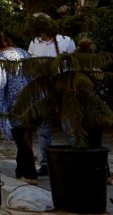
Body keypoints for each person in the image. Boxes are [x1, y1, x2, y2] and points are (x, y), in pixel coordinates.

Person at [0, 32, 38, 185]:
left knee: (21, 136)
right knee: (25, 135)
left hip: (13, 102)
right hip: (30, 99)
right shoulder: (24, 53)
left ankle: (29, 173)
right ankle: (22, 171)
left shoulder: (1, 58)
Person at [28, 32, 76, 177]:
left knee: (69, 125)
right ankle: (45, 163)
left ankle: (75, 160)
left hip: (63, 87)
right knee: (43, 128)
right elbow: (31, 66)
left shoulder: (66, 40)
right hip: (43, 88)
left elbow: (74, 64)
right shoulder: (34, 43)